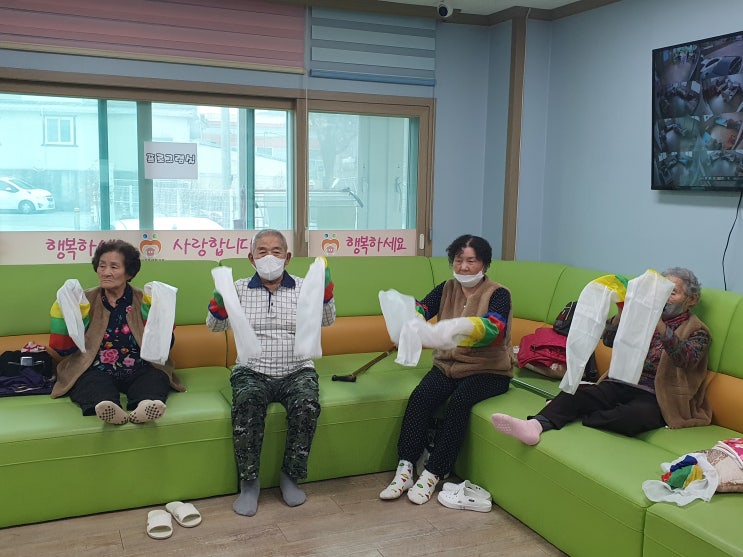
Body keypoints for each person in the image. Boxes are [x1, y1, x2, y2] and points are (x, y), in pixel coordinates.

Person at [491, 267, 711, 445]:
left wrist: (659, 325)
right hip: (622, 383)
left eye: (672, 293)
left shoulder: (698, 330)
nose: (664, 299)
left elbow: (686, 359)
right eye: (662, 293)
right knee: (573, 393)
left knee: (632, 417)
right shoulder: (641, 316)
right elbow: (609, 340)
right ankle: (534, 426)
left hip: (657, 396)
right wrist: (622, 315)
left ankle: (576, 413)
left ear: (691, 299)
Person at [206, 229, 336, 517]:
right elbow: (215, 327)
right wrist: (219, 303)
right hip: (251, 370)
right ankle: (249, 482)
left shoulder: (304, 286)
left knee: (307, 404)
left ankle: (290, 476)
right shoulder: (239, 288)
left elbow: (327, 321)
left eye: (276, 251)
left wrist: (325, 293)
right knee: (247, 402)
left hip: (297, 369)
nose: (269, 257)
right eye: (262, 251)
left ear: (287, 257)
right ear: (251, 258)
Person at [379, 234, 514, 504]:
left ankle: (433, 472)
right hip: (447, 366)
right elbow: (423, 307)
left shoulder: (498, 293)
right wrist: (411, 320)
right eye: (458, 260)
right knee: (420, 398)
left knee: (459, 403)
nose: (463, 267)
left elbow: (494, 330)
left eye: (471, 261)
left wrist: (461, 328)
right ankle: (405, 468)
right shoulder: (447, 288)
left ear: (484, 264)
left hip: (488, 370)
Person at [49, 239, 183, 425]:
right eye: (102, 266)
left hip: (139, 367)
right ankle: (108, 408)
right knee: (90, 382)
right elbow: (64, 348)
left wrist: (161, 316)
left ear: (129, 273)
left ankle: (145, 406)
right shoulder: (83, 300)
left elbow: (165, 346)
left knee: (155, 377)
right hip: (95, 369)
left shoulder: (145, 299)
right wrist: (66, 311)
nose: (106, 272)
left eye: (114, 267)